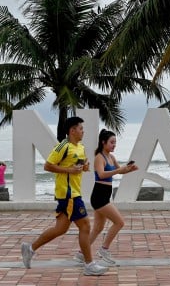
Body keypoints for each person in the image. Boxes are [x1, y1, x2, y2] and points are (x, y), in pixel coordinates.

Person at [21, 116, 108, 276]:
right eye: (81, 128)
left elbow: (79, 166)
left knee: (60, 229)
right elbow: (48, 165)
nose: (83, 131)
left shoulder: (80, 148)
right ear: (72, 130)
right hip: (69, 194)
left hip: (73, 192)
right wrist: (69, 170)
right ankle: (89, 264)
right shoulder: (63, 146)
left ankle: (30, 248)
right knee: (85, 226)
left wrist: (84, 167)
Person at [74, 129, 138, 265]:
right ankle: (104, 250)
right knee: (120, 222)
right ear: (103, 142)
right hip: (99, 197)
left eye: (115, 142)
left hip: (105, 196)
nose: (114, 145)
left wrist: (129, 169)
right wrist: (119, 170)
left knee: (98, 228)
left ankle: (81, 254)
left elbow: (120, 171)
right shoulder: (99, 157)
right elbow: (102, 174)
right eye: (112, 142)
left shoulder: (111, 157)